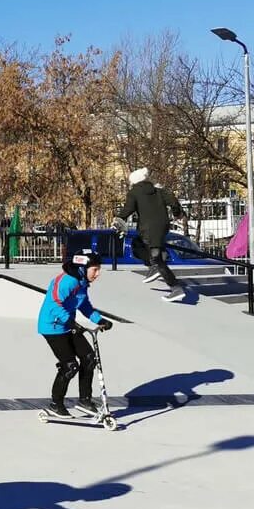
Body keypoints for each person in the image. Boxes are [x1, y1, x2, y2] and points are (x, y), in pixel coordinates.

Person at [37, 251, 114, 418]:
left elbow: (84, 305)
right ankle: (56, 404)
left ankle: (84, 401)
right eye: (95, 269)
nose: (98, 274)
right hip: (53, 327)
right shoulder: (67, 281)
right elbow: (54, 304)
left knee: (89, 358)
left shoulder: (81, 283)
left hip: (68, 325)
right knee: (70, 366)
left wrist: (99, 320)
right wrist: (71, 322)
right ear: (82, 268)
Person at [118, 167, 186, 302]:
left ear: (134, 182)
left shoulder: (134, 192)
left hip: (148, 228)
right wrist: (177, 213)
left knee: (155, 257)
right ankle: (154, 265)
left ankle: (175, 288)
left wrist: (118, 219)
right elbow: (172, 199)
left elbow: (128, 209)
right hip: (163, 226)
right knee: (139, 243)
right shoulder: (158, 190)